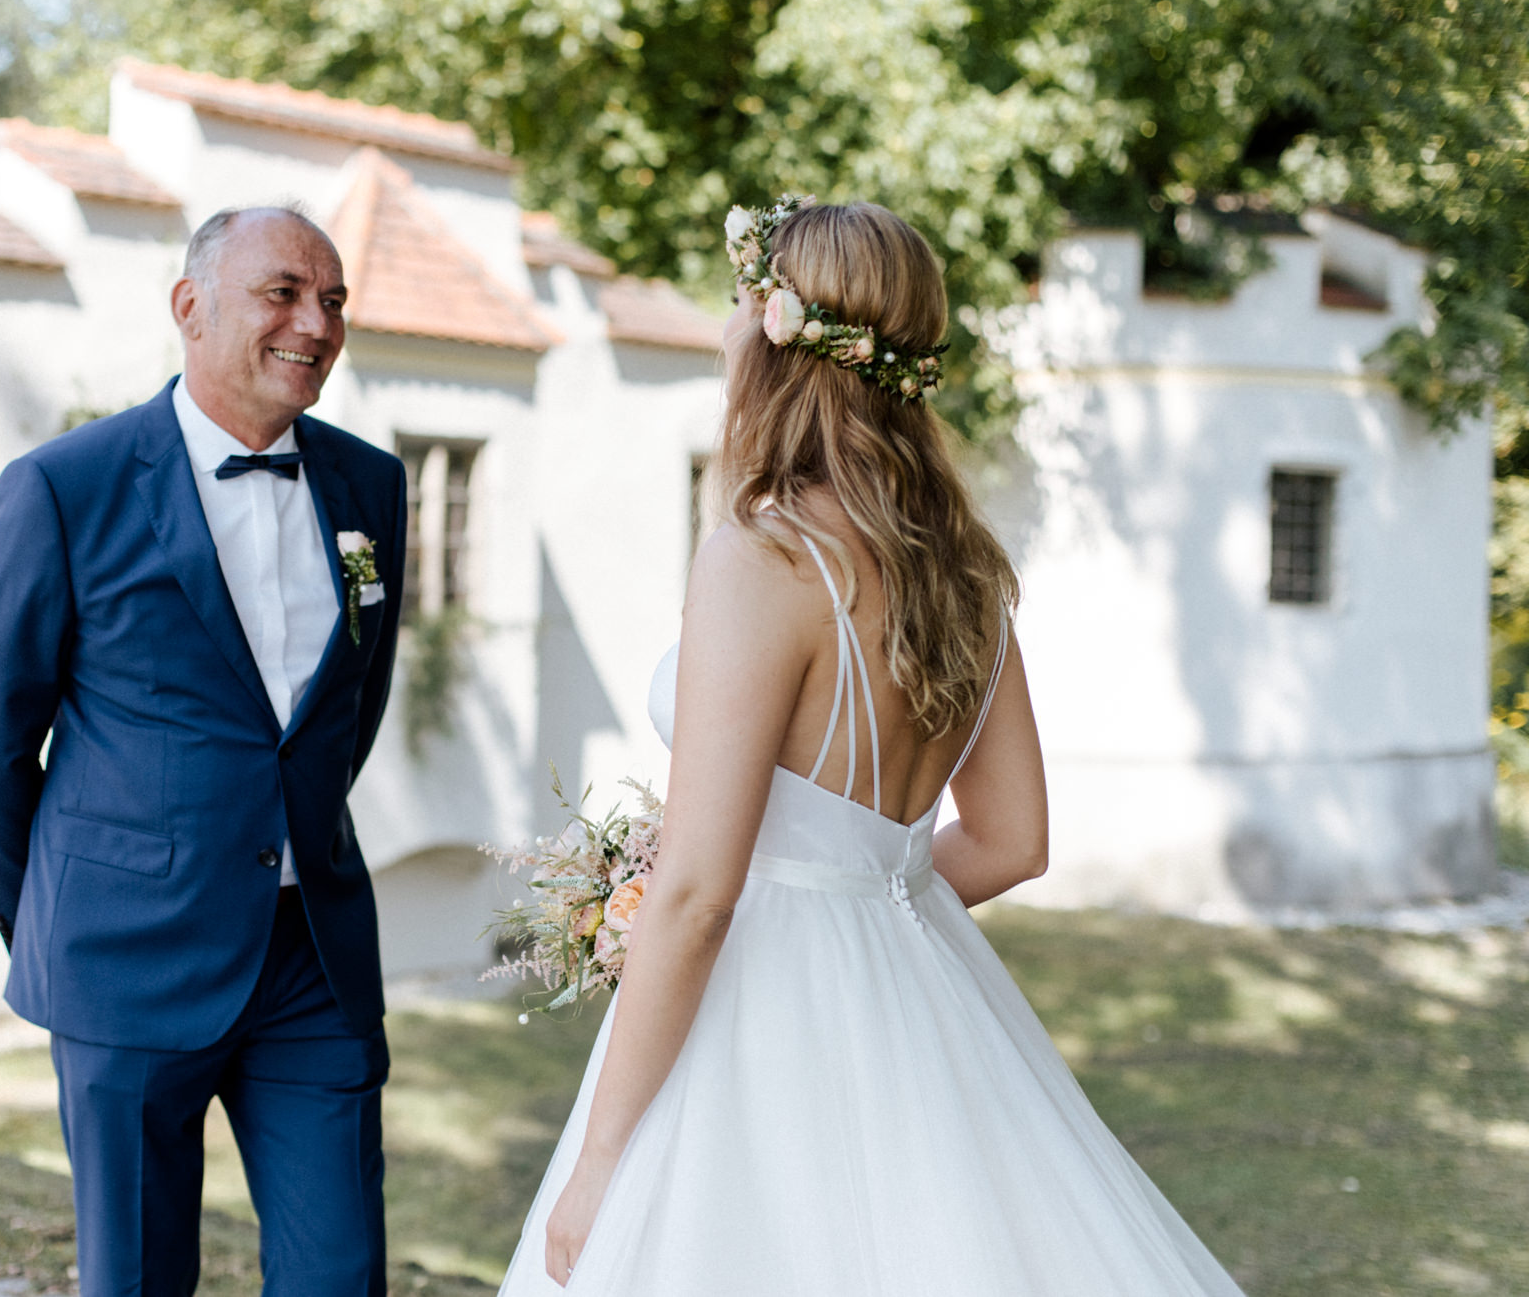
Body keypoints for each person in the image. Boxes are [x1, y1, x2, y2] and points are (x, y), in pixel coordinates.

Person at [497, 197, 1247, 1295]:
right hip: (914, 992)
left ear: (771, 329)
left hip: (754, 1019)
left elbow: (701, 892)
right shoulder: (966, 573)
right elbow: (1013, 840)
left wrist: (604, 1157)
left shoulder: (761, 557)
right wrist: (860, 907)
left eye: (735, 308)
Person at [0, 206, 407, 1297]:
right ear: (189, 307)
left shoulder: (370, 487)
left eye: (332, 300)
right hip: (124, 959)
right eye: (283, 291)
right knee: (139, 1278)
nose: (316, 322)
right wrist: (58, 913)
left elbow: (345, 712)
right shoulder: (65, 487)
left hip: (312, 962)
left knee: (340, 1272)